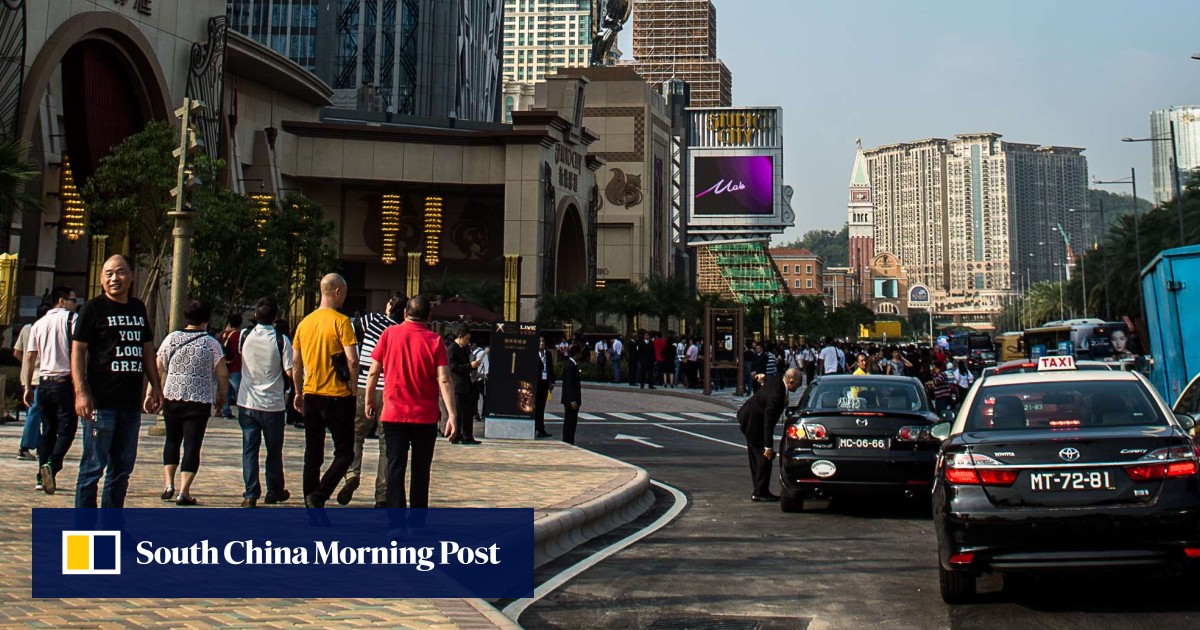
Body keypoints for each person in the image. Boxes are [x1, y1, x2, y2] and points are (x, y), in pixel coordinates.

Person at [72, 255, 164, 508]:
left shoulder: (138, 308)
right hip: (100, 405)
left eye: (120, 272)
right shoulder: (92, 309)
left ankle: (113, 530)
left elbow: (147, 350)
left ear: (131, 276)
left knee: (121, 472)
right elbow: (78, 351)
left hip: (129, 406)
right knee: (91, 471)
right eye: (109, 273)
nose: (115, 278)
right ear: (101, 278)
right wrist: (81, 392)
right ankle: (83, 538)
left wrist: (155, 386)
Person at [365, 295, 457, 516]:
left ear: (405, 313)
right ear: (429, 316)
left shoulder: (388, 335)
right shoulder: (435, 341)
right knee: (421, 469)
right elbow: (444, 379)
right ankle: (417, 521)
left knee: (395, 467)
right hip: (424, 417)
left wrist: (369, 399)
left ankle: (395, 521)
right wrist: (452, 415)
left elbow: (373, 371)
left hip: (394, 414)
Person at [292, 273, 360, 509]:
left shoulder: (304, 323)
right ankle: (320, 494)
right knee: (344, 453)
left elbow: (296, 363)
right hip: (337, 396)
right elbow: (352, 360)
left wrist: (298, 392)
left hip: (311, 395)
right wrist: (353, 388)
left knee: (313, 453)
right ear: (338, 292)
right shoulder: (341, 322)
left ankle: (310, 501)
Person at [157, 300, 228, 506]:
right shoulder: (212, 344)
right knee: (192, 444)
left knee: (171, 440)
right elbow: (222, 374)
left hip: (173, 395)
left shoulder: (172, 338)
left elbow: (158, 364)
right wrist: (222, 396)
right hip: (199, 400)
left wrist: (152, 390)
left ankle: (168, 484)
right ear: (206, 319)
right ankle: (184, 490)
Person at [339, 295, 403, 506]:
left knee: (356, 434)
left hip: (366, 382)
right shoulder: (400, 332)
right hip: (389, 389)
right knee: (386, 443)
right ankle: (382, 495)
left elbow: (352, 327)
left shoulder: (373, 320)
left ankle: (352, 473)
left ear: (389, 306)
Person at [237, 297, 295, 508]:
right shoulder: (281, 340)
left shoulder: (245, 336)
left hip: (247, 402)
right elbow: (289, 371)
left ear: (254, 315)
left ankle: (251, 493)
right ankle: (274, 490)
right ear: (276, 316)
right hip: (272, 405)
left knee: (249, 449)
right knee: (273, 450)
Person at [22, 288, 78, 493]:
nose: (75, 304)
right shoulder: (72, 319)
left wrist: (28, 386)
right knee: (68, 428)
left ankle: (41, 475)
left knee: (47, 430)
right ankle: (53, 466)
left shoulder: (39, 324)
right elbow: (81, 350)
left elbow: (29, 358)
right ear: (62, 301)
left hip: (44, 383)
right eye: (73, 300)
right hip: (64, 382)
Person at [737, 368, 803, 502]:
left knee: (758, 456)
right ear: (790, 382)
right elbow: (768, 421)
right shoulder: (777, 395)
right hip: (753, 422)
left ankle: (760, 490)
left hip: (751, 417)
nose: (799, 387)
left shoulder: (779, 380)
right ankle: (760, 492)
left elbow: (774, 376)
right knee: (763, 457)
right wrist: (768, 446)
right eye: (798, 384)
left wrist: (764, 377)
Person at [14, 306, 48, 462]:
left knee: (33, 412)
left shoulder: (27, 328)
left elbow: (17, 352)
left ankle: (41, 445)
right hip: (41, 375)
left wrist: (27, 365)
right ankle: (25, 446)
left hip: (26, 376)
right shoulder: (46, 329)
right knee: (36, 412)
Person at [447, 323, 481, 444]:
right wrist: (469, 366)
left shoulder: (465, 348)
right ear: (460, 337)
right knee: (458, 412)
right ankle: (457, 435)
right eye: (466, 339)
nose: (468, 342)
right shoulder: (452, 349)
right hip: (457, 386)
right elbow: (453, 367)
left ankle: (468, 435)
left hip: (467, 385)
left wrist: (473, 365)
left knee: (468, 411)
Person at [219, 313, 244, 419]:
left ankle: (226, 411)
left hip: (224, 366)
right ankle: (242, 411)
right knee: (239, 391)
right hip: (235, 366)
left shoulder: (223, 334)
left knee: (226, 390)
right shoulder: (238, 335)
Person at [560, 345, 582, 444]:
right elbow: (568, 385)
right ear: (576, 354)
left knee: (572, 421)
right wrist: (572, 400)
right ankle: (567, 440)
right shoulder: (570, 366)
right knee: (570, 421)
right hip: (571, 400)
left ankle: (569, 439)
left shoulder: (572, 365)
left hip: (572, 399)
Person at [535, 337, 555, 438]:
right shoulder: (533, 354)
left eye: (543, 341)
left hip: (545, 384)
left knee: (541, 407)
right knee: (535, 407)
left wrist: (553, 381)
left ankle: (541, 428)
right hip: (536, 384)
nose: (541, 343)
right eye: (539, 341)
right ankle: (536, 427)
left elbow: (550, 368)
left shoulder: (548, 354)